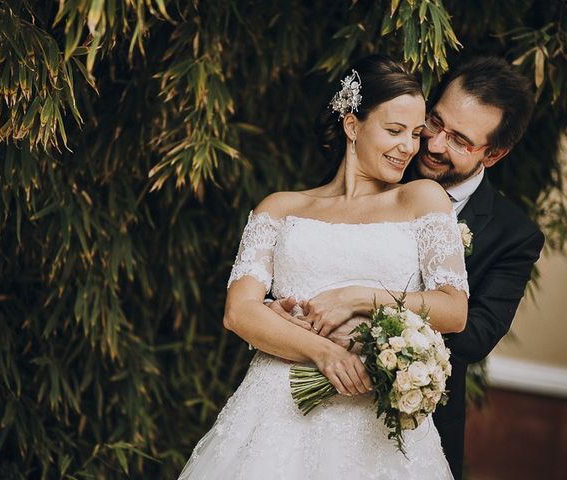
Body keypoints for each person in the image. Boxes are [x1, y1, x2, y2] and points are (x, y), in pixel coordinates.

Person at [179, 55, 469, 479]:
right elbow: (239, 311)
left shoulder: (421, 199)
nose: (408, 146)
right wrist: (325, 352)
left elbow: (453, 309)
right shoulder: (280, 208)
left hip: (375, 422)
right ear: (353, 125)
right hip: (275, 410)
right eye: (393, 130)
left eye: (415, 133)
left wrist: (358, 297)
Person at [270, 56, 544, 479]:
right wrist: (285, 308)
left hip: (410, 428)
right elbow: (311, 254)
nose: (432, 146)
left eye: (460, 141)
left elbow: (471, 337)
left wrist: (363, 318)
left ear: (494, 154)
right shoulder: (377, 161)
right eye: (435, 123)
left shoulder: (514, 235)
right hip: (296, 401)